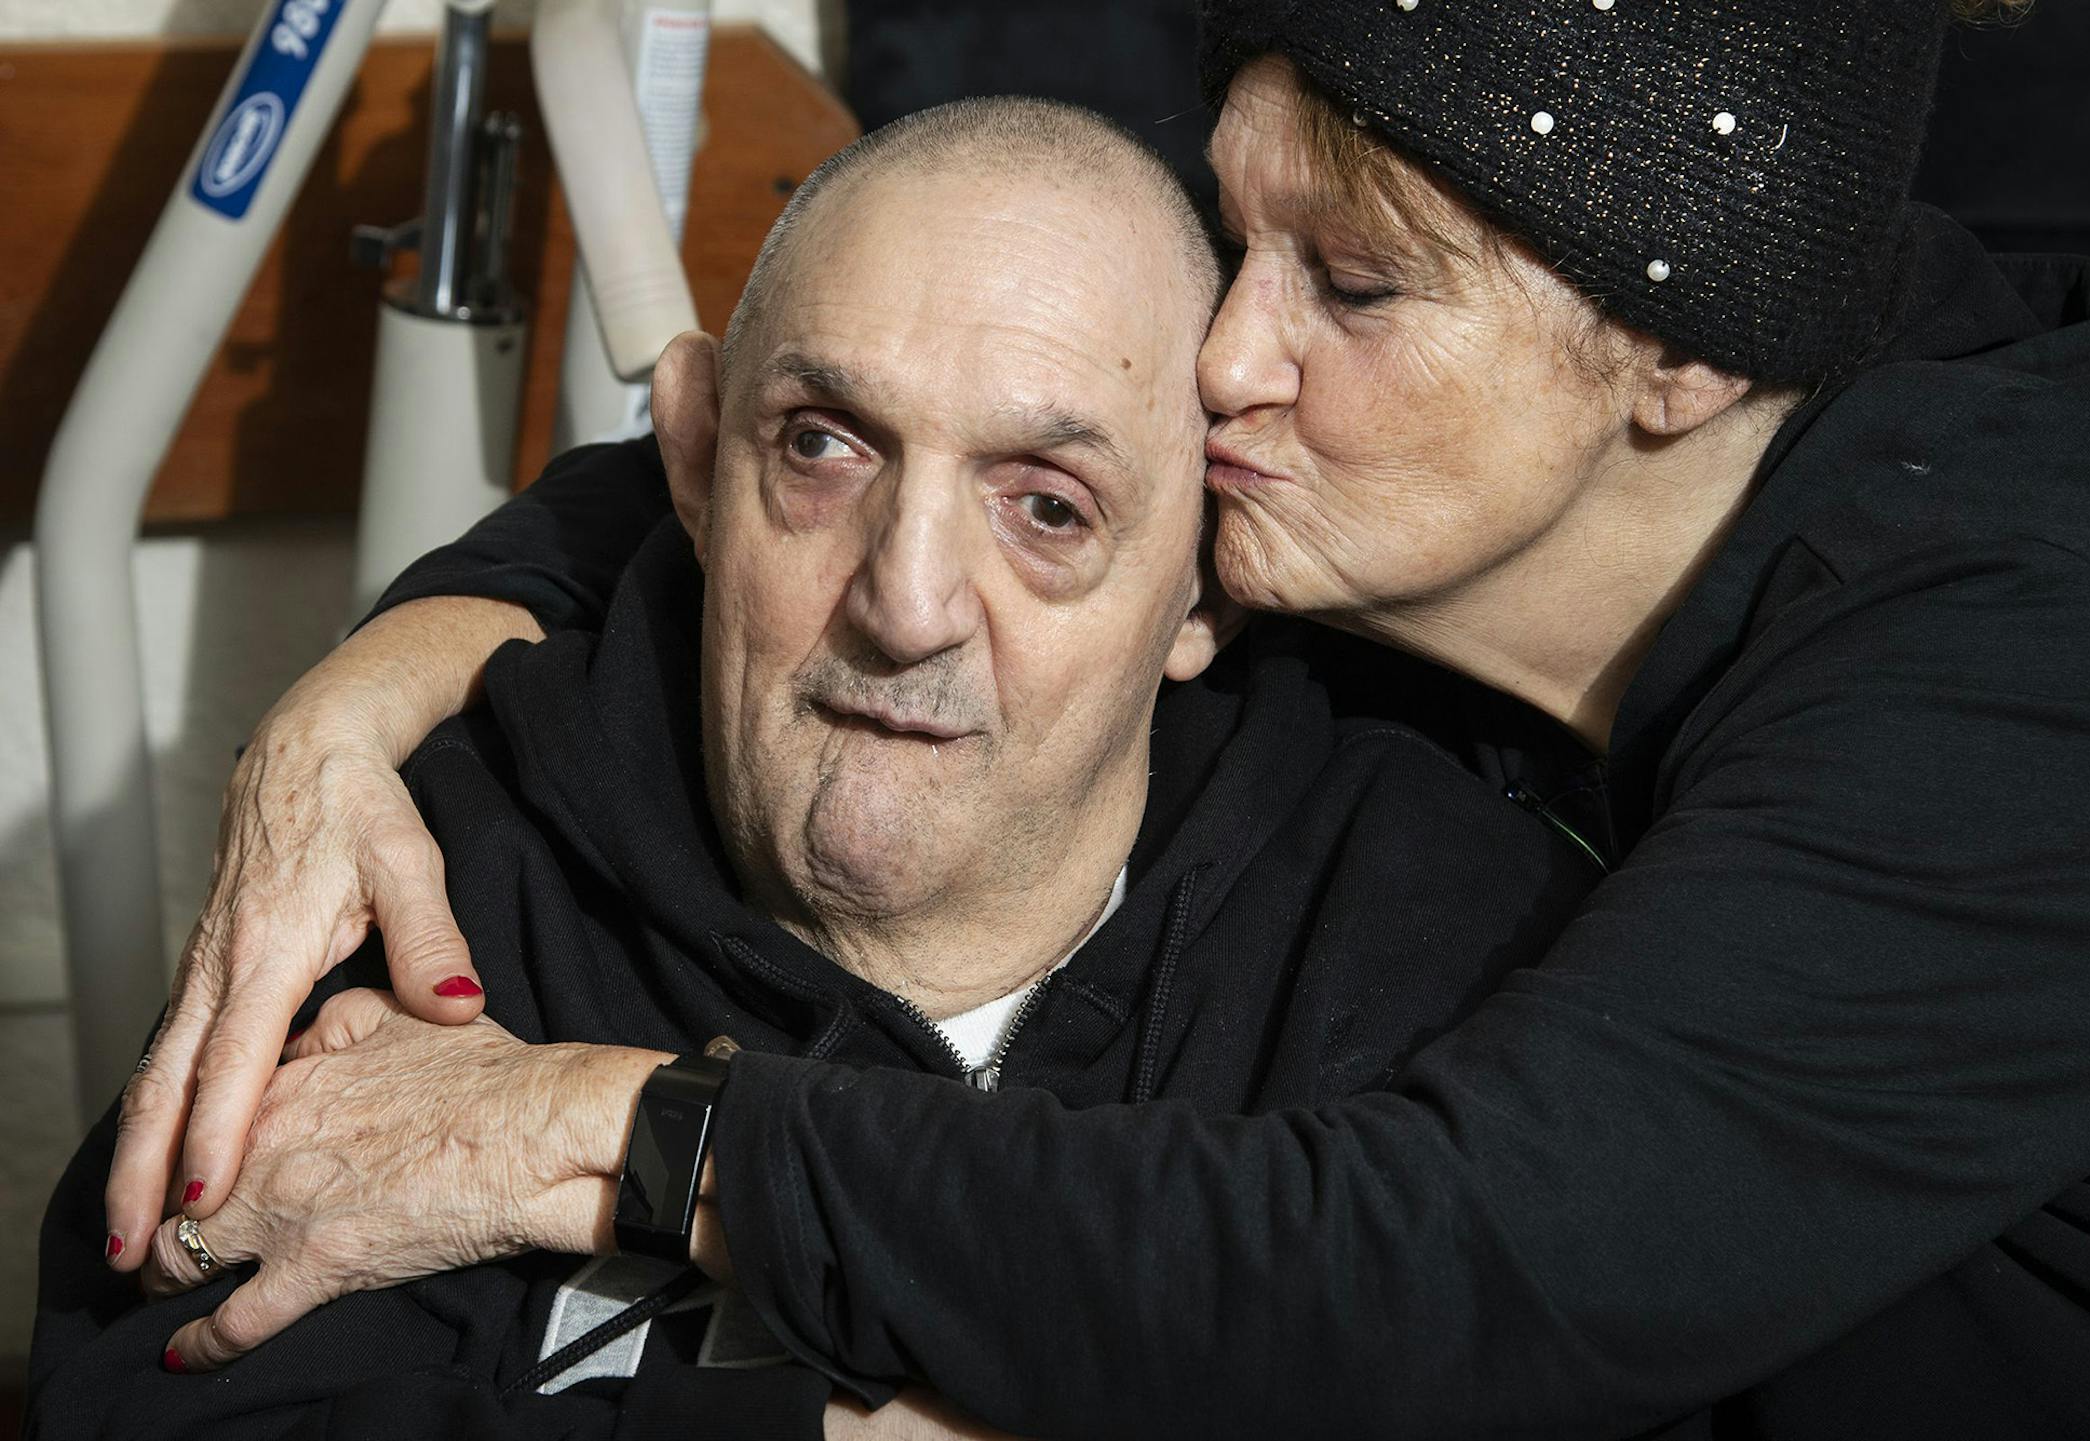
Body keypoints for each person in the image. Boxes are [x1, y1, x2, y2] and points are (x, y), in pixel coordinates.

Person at [76, 0, 2090, 1436]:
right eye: (1236, 229)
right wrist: (372, 685)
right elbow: (897, 433)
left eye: (1346, 286)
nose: (1225, 356)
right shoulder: (1477, 503)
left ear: (1674, 361)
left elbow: (1423, 1289)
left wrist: (612, 1129)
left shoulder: (2033, 678)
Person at [30, 98, 1594, 1439]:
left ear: (1204, 588)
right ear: (700, 464)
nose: (907, 603)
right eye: (824, 445)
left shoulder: (1433, 939)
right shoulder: (413, 911)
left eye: (1047, 507)